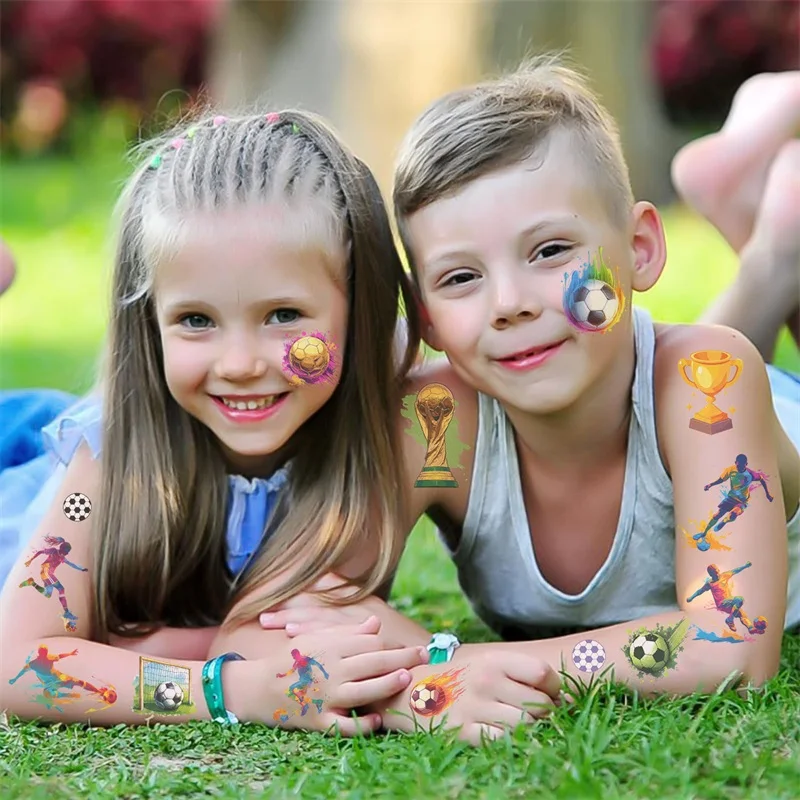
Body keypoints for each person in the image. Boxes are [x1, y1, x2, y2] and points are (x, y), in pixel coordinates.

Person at [255, 59, 800, 742]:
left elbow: (734, 649)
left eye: (549, 250)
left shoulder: (704, 380)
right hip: (650, 380)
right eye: (461, 277)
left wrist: (459, 664)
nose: (509, 303)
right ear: (424, 318)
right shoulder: (437, 424)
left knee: (712, 365)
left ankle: (779, 243)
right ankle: (775, 232)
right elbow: (292, 605)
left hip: (742, 415)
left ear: (638, 249)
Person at [0, 109, 433, 731]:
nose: (238, 364)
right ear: (149, 327)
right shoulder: (103, 464)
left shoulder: (399, 431)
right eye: (196, 320)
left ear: (358, 309)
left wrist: (148, 652)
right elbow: (21, 664)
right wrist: (236, 684)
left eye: (284, 314)